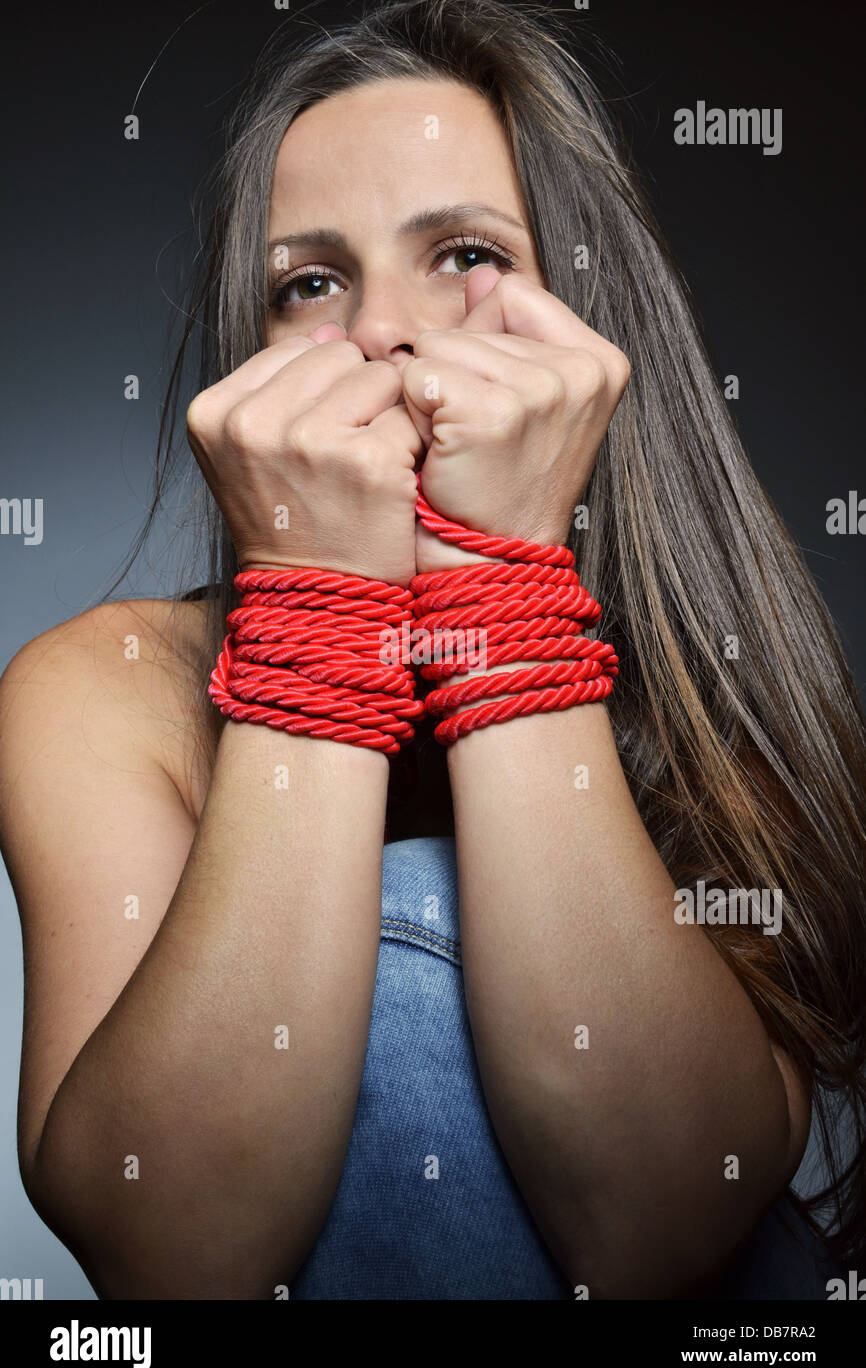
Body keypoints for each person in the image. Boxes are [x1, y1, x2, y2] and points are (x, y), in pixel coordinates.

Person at [1, 0, 864, 1300]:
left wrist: (492, 591)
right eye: (311, 281)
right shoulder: (100, 689)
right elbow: (175, 1253)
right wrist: (315, 601)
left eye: (461, 253)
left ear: (585, 323)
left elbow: (657, 1223)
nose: (379, 333)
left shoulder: (703, 695)